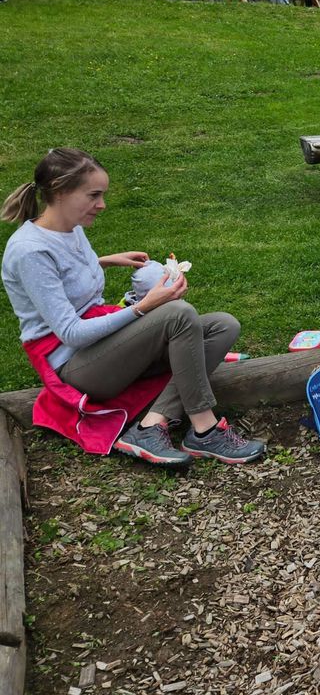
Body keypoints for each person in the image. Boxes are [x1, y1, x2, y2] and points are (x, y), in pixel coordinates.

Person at [0, 148, 265, 466]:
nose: (102, 204)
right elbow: (72, 333)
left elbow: (60, 277)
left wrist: (104, 261)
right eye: (94, 195)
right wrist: (143, 307)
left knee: (223, 325)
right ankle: (205, 429)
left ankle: (152, 423)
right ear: (60, 190)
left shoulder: (69, 227)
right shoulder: (30, 252)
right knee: (178, 315)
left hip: (102, 350)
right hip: (75, 367)